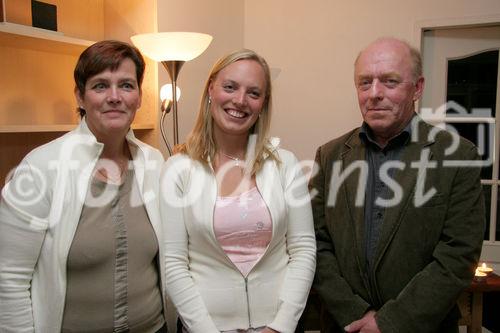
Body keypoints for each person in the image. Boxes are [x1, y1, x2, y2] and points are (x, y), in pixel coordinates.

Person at [310, 37, 485, 333]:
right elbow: (315, 242)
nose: (374, 93)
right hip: (345, 325)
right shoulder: (329, 156)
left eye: (390, 81)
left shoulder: (458, 155)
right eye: (365, 83)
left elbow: (458, 254)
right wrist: (354, 312)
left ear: (417, 88)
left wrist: (389, 322)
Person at [0, 40, 167, 332]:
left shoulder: (154, 162)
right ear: (80, 97)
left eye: (127, 85)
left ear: (139, 97)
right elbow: (8, 277)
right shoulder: (40, 167)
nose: (114, 97)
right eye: (100, 86)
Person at [160, 49, 316, 333]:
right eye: (230, 87)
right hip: (206, 327)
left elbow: (303, 250)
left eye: (253, 93)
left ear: (263, 103)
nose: (240, 101)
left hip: (278, 325)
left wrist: (282, 325)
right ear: (211, 89)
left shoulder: (285, 164)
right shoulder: (178, 169)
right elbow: (173, 264)